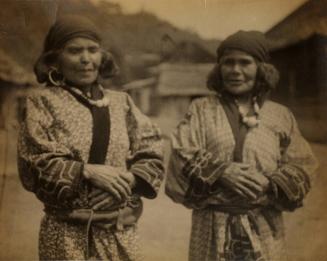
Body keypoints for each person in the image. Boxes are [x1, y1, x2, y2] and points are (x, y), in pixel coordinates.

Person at [17, 15, 164, 261]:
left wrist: (129, 179)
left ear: (102, 56)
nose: (86, 59)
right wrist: (87, 171)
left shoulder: (122, 102)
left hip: (119, 231)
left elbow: (152, 150)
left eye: (92, 50)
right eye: (74, 51)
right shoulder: (41, 102)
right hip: (66, 236)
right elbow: (34, 161)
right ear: (55, 59)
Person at [165, 30, 318, 261]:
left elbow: (304, 164)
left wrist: (270, 184)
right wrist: (221, 172)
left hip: (265, 225)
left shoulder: (280, 115)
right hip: (211, 227)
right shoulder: (201, 109)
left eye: (245, 63)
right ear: (219, 68)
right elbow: (179, 158)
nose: (235, 70)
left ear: (261, 69)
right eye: (228, 63)